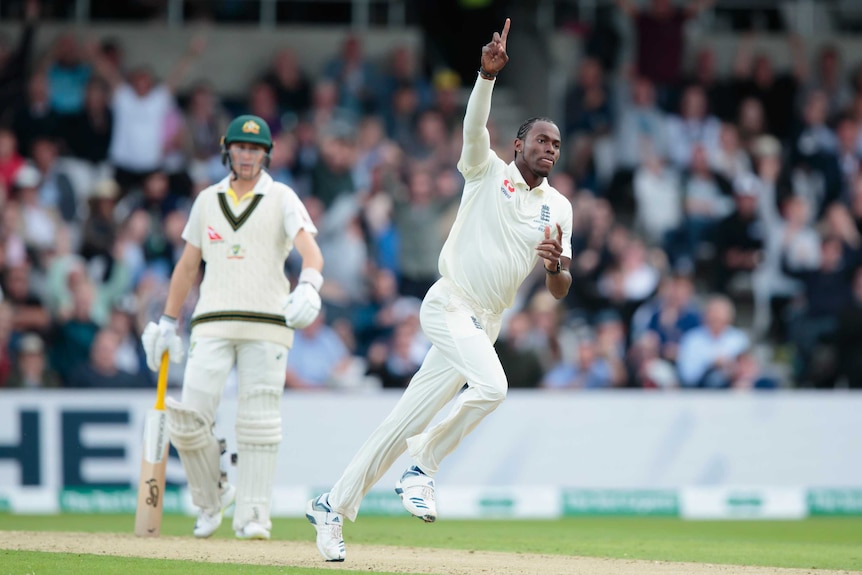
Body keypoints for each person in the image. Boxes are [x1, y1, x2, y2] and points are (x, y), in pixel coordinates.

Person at [306, 18, 573, 562]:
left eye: (557, 145)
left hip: (486, 322)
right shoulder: (486, 171)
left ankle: (331, 506)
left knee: (400, 420)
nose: (551, 149)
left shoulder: (558, 208)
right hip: (450, 303)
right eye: (542, 140)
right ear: (519, 143)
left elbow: (562, 285)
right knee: (493, 389)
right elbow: (474, 130)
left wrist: (553, 268)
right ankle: (422, 467)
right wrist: (485, 78)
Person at [140, 114, 324, 541]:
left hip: (268, 322)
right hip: (211, 320)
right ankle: (210, 501)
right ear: (228, 150)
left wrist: (310, 286)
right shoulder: (207, 200)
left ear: (266, 154)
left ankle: (254, 514)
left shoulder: (281, 196)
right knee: (188, 417)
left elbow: (310, 253)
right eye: (241, 147)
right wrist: (168, 321)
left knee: (259, 422)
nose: (248, 155)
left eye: (256, 149)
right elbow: (188, 266)